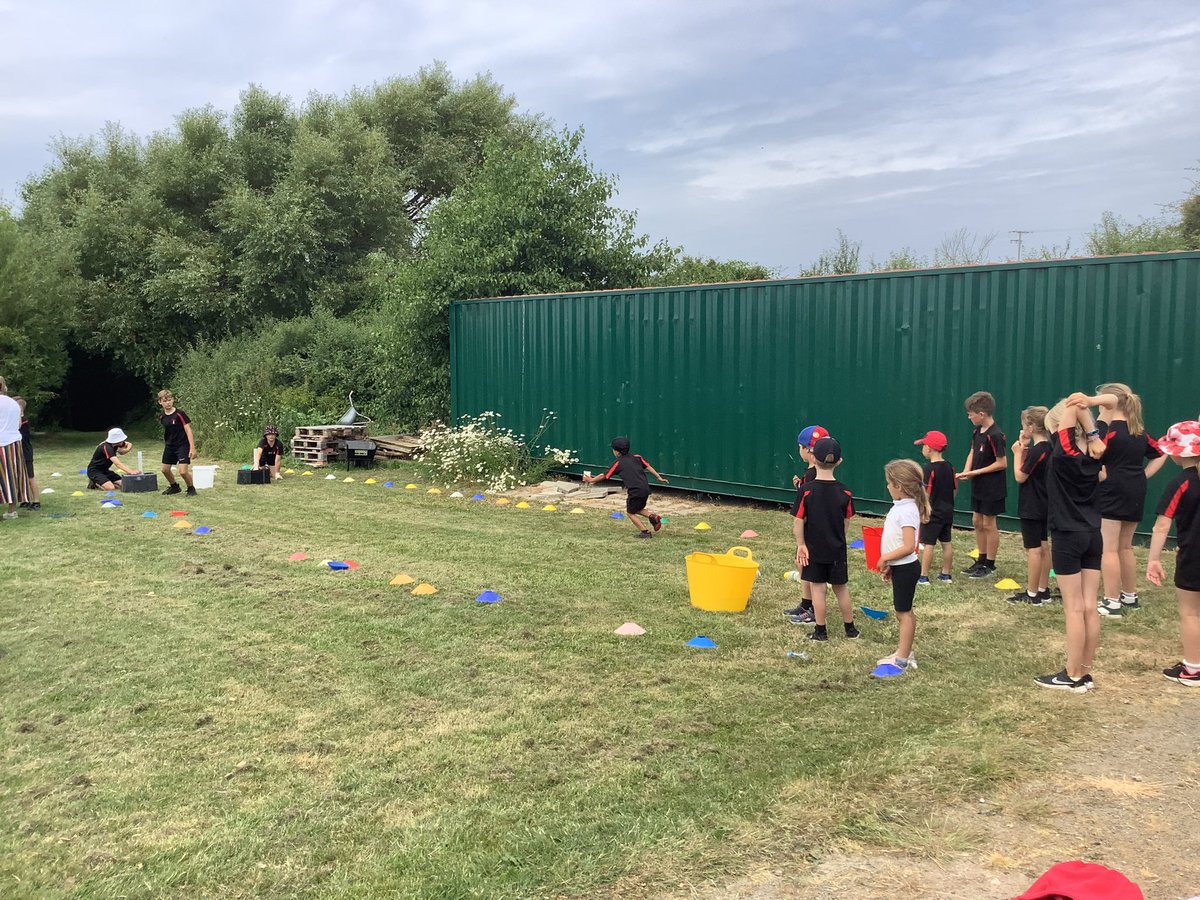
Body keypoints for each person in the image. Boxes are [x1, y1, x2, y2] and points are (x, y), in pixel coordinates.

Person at [1034, 394, 1106, 692]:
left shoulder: (1063, 455)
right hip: (1093, 535)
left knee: (1074, 608)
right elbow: (1085, 414)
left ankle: (1073, 674)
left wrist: (1078, 406)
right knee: (1089, 606)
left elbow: (1074, 411)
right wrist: (1089, 422)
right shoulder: (1095, 455)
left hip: (1067, 534)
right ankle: (1085, 672)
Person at [1084, 384, 1166, 617]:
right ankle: (1130, 595)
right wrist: (1143, 475)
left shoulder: (1107, 432)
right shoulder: (1137, 431)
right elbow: (1162, 453)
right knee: (1125, 546)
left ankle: (1111, 601)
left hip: (1112, 490)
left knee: (1108, 549)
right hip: (1135, 489)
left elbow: (1093, 457)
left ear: (1107, 403)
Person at [1146, 420, 1200, 687]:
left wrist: (1154, 559)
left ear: (1177, 452)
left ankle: (1193, 669)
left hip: (1193, 556)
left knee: (1191, 613)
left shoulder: (1181, 483)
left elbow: (1162, 525)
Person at [793, 436, 858, 642]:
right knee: (841, 588)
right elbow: (846, 521)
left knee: (818, 589)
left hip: (814, 549)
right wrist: (839, 537)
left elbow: (798, 522)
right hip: (837, 550)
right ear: (839, 461)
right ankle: (851, 630)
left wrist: (801, 545)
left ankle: (820, 631)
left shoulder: (806, 490)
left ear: (813, 457)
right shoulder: (845, 492)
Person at [874, 459, 930, 673]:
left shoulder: (907, 510)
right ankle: (902, 652)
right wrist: (891, 564)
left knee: (903, 613)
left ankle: (903, 658)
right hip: (900, 567)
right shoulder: (901, 507)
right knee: (902, 611)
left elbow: (908, 546)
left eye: (888, 483)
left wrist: (885, 558)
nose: (887, 487)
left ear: (898, 486)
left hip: (906, 568)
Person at [957, 391, 1007, 578]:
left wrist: (975, 472)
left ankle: (990, 565)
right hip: (978, 484)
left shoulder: (996, 434)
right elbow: (972, 451)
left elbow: (1002, 463)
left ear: (982, 414)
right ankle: (981, 559)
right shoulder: (977, 431)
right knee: (976, 521)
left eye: (971, 414)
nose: (969, 417)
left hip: (992, 486)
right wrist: (966, 471)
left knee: (988, 523)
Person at [1009, 405, 1053, 604]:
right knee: (1044, 546)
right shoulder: (1049, 448)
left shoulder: (1038, 451)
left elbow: (1020, 476)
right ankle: (1043, 590)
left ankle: (1032, 593)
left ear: (1031, 427)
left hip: (1032, 504)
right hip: (1046, 502)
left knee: (1034, 549)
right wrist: (1025, 445)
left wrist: (1017, 452)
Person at [582, 437, 669, 538]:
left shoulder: (618, 463)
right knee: (638, 508)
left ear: (617, 452)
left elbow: (604, 475)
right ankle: (653, 517)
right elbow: (648, 466)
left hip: (635, 491)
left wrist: (591, 480)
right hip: (645, 489)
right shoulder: (637, 457)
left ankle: (645, 532)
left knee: (630, 513)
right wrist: (658, 477)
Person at [785, 424, 829, 623]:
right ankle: (805, 604)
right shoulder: (817, 474)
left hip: (809, 530)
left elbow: (805, 505)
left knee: (806, 567)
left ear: (808, 450)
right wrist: (800, 486)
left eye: (800, 447)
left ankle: (809, 608)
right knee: (802, 565)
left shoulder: (813, 475)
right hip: (816, 529)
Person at [913, 430, 955, 585]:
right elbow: (954, 488)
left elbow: (926, 493)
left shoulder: (928, 469)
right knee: (946, 542)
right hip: (947, 511)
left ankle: (923, 576)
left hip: (932, 513)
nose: (922, 448)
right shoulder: (949, 467)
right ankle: (946, 574)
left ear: (929, 448)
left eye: (923, 445)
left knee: (928, 544)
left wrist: (923, 511)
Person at [157, 389, 197, 497]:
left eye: (170, 400)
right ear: (160, 402)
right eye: (165, 401)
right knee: (165, 470)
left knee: (183, 472)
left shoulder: (180, 414)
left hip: (182, 445)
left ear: (173, 400)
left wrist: (192, 448)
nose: (168, 403)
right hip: (170, 446)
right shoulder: (162, 417)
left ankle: (191, 488)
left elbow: (188, 430)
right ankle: (174, 487)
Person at [0, 375, 30, 520]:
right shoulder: (13, 403)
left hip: (1, 442)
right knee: (12, 476)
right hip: (14, 443)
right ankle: (12, 510)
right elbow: (18, 424)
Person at [13, 397, 40, 511]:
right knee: (20, 477)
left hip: (26, 452)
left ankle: (36, 501)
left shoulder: (23, 420)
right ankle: (25, 499)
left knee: (30, 477)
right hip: (18, 452)